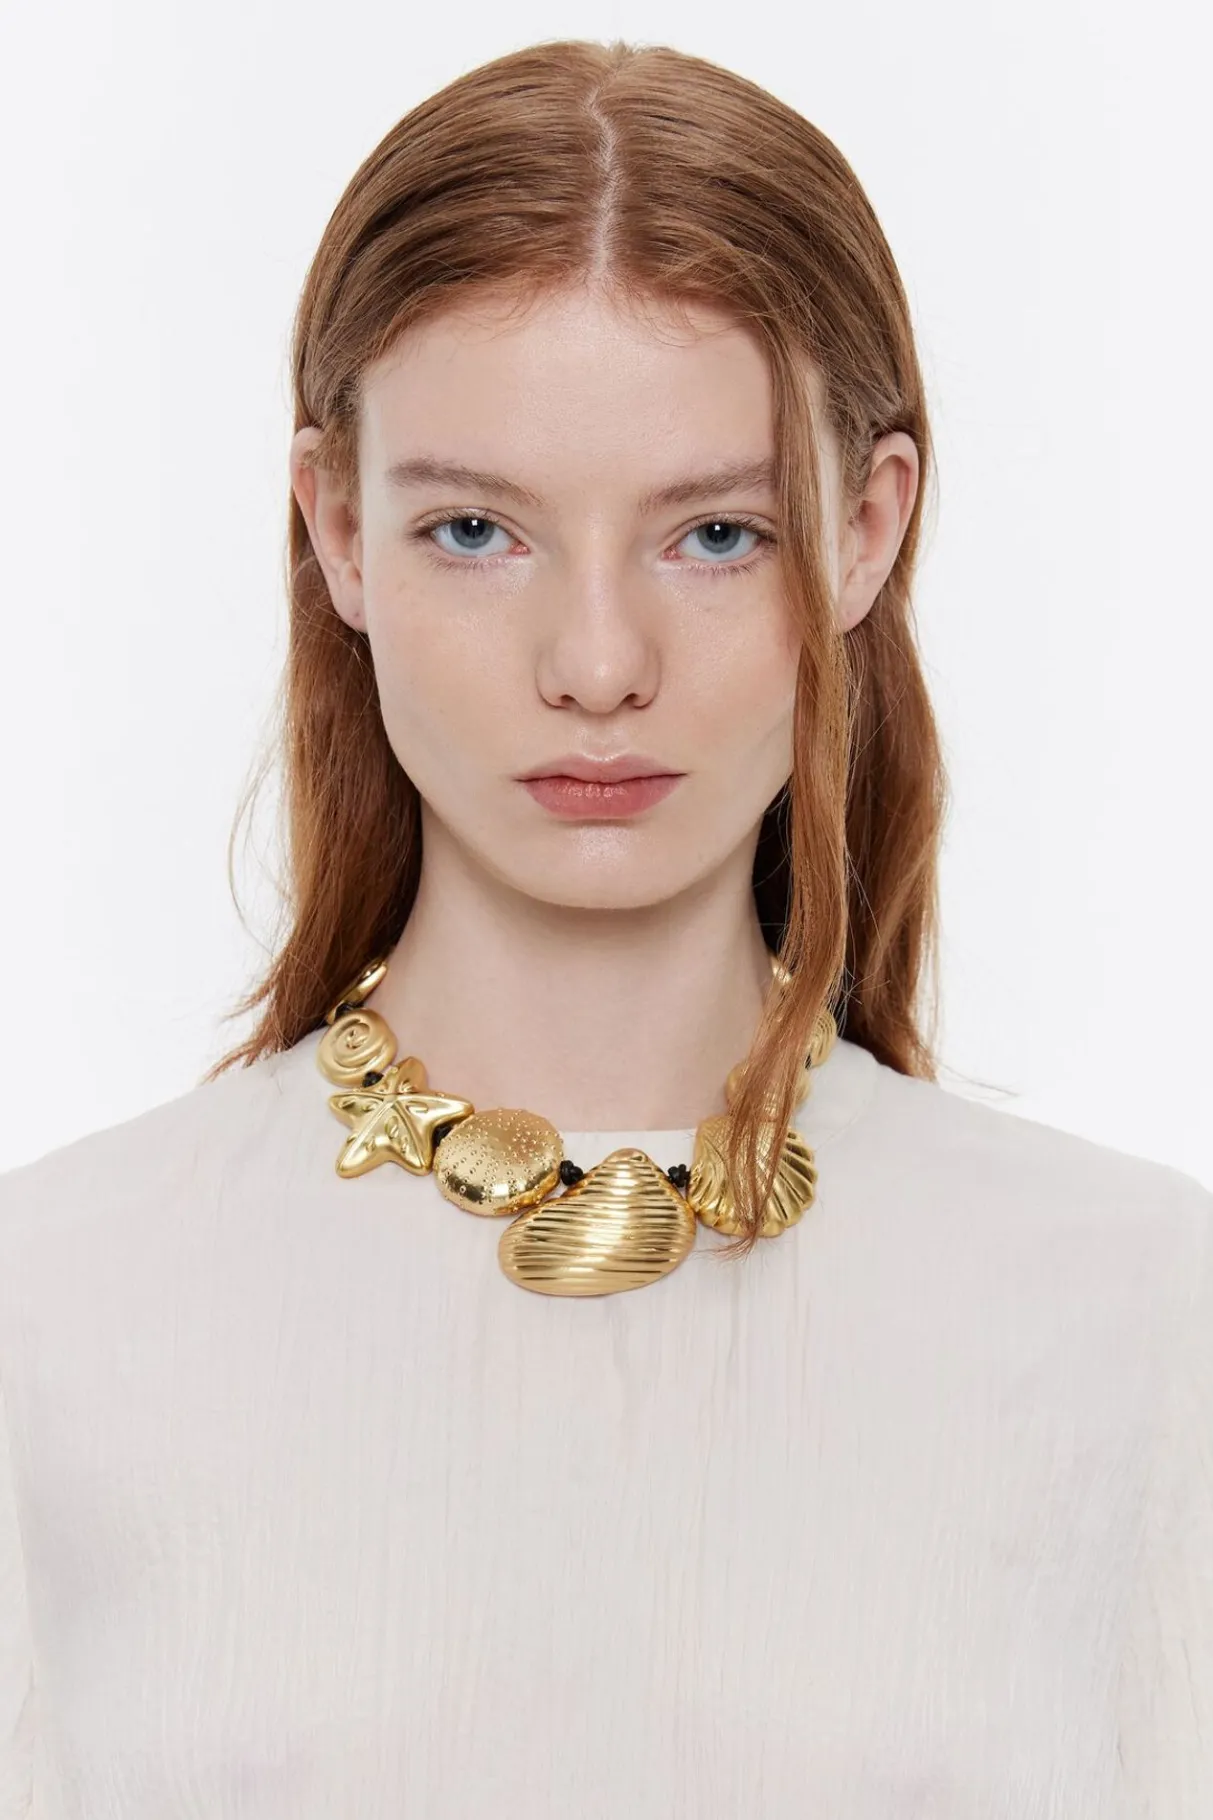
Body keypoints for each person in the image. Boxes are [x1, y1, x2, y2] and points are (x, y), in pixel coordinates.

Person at [0, 36, 1208, 1819]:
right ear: (337, 526)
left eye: (714, 534)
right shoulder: (46, 1311)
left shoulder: (1148, 1315)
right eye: (474, 529)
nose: (595, 664)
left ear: (867, 528)